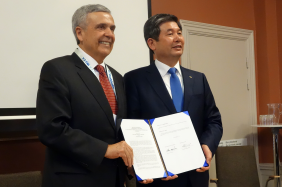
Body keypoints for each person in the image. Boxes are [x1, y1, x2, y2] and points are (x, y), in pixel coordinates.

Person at [36, 4, 133, 187]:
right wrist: (105, 149)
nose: (109, 34)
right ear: (79, 33)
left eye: (112, 28)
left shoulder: (118, 78)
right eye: (101, 27)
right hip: (74, 180)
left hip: (115, 180)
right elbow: (51, 129)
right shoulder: (57, 69)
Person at [124, 14, 223, 187]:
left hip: (196, 175)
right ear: (152, 43)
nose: (178, 38)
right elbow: (131, 126)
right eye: (170, 34)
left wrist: (208, 144)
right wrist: (143, 165)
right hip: (158, 178)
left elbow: (213, 120)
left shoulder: (198, 79)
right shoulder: (135, 79)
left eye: (179, 33)